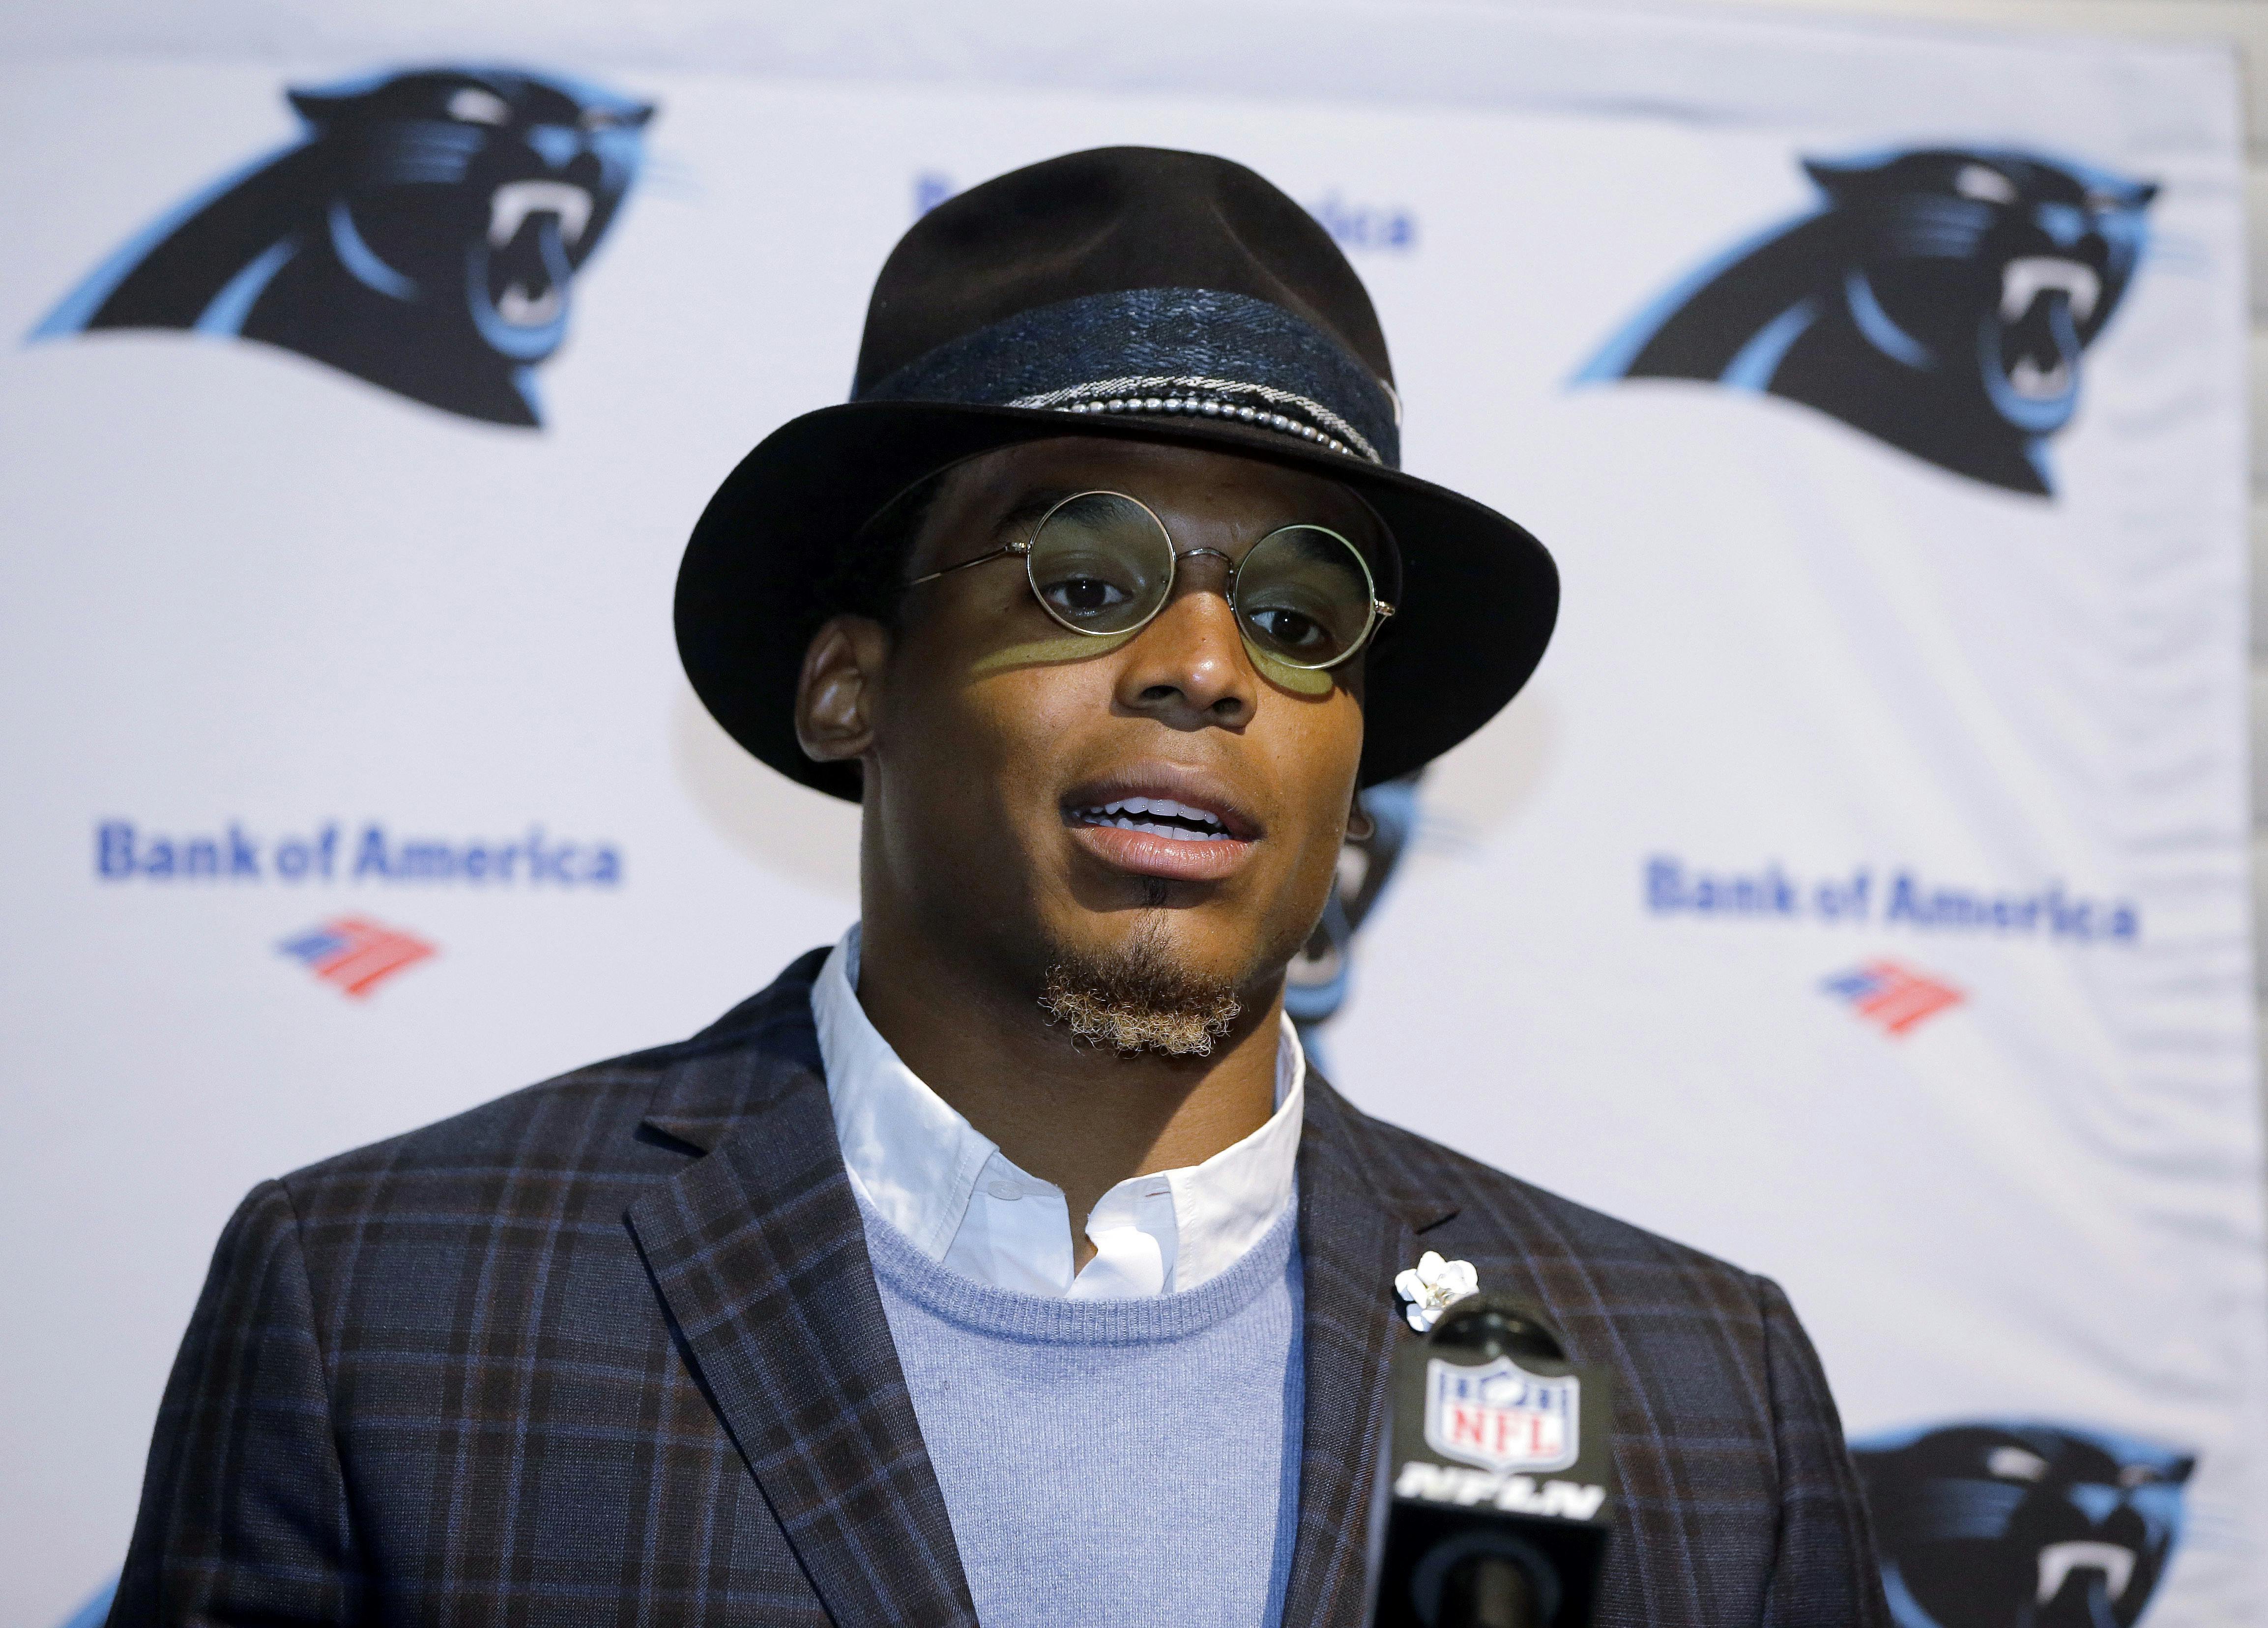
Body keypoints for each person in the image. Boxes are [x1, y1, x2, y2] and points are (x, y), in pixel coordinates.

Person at [111, 147, 1890, 1628]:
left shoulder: (1693, 1392)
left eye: (1300, 613)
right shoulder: (384, 1312)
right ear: (850, 684)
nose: (1210, 666)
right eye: (1086, 569)